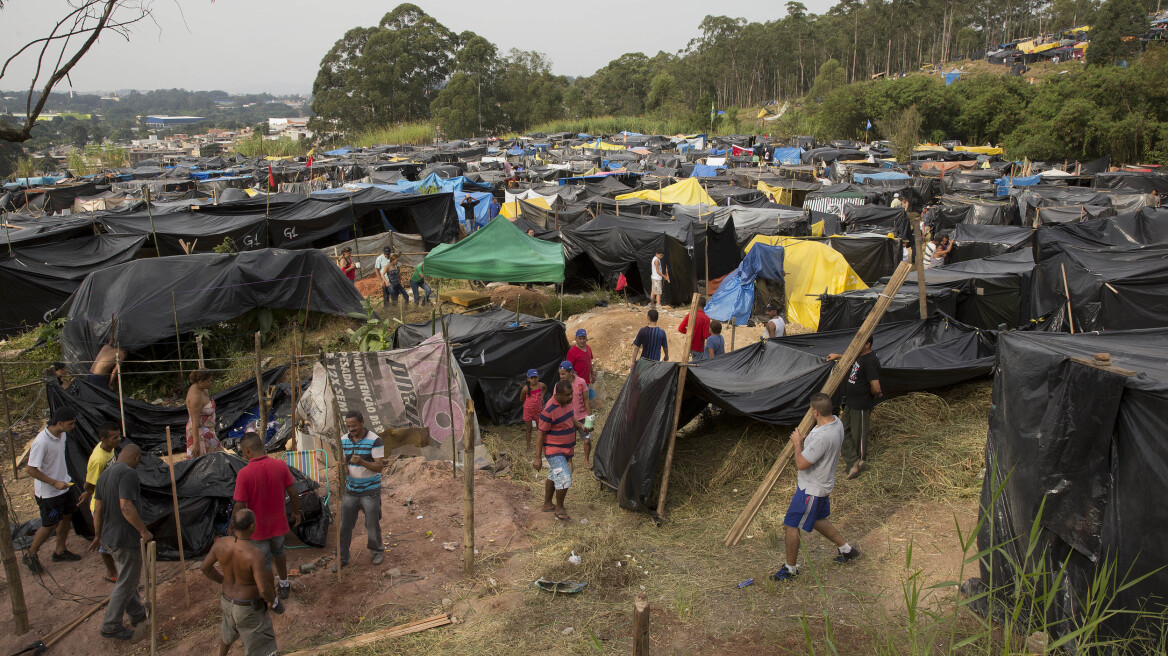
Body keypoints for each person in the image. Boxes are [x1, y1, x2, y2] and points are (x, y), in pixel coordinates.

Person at [772, 393, 861, 581]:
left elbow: (801, 463)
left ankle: (790, 569)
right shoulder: (836, 423)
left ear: (815, 412)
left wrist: (798, 444)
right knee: (818, 519)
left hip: (811, 489)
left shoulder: (823, 437)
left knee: (791, 524)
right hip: (822, 484)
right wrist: (807, 441)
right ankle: (847, 550)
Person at [89, 444, 152, 641]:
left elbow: (98, 509)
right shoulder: (128, 474)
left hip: (110, 537)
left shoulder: (105, 474)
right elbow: (126, 506)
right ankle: (111, 625)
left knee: (126, 576)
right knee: (127, 582)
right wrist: (143, 530)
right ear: (137, 458)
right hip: (124, 537)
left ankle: (137, 613)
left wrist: (97, 535)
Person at [201, 509, 282, 656]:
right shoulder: (254, 554)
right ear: (252, 526)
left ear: (233, 524)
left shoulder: (221, 544)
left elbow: (205, 568)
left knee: (227, 634)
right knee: (261, 645)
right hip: (247, 607)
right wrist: (271, 600)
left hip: (227, 601)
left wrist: (223, 580)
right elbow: (263, 589)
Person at [232, 432, 302, 600]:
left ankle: (272, 596)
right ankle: (284, 583)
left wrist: (233, 527)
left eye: (243, 452)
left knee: (264, 563)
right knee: (279, 552)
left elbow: (240, 505)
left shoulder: (244, 473)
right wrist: (297, 512)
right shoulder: (280, 465)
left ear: (247, 451)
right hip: (278, 524)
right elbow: (293, 493)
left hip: (256, 529)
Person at [25, 407, 80, 574]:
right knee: (50, 524)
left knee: (67, 516)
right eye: (70, 424)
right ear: (59, 423)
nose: (73, 427)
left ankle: (59, 551)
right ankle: (30, 555)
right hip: (49, 493)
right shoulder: (41, 442)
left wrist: (61, 480)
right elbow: (31, 469)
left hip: (64, 486)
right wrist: (54, 482)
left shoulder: (62, 435)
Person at [334, 410, 386, 572]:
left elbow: (379, 467)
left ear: (362, 422)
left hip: (370, 491)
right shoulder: (343, 440)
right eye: (348, 426)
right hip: (351, 490)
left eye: (354, 426)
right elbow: (343, 464)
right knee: (344, 526)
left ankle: (377, 551)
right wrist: (341, 471)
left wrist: (362, 462)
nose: (351, 429)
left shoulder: (375, 440)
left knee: (372, 524)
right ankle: (342, 557)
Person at [827, 335, 883, 479]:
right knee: (841, 430)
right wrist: (837, 356)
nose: (857, 345)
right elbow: (851, 357)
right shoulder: (860, 356)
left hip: (861, 404)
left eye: (860, 343)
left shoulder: (870, 360)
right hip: (851, 402)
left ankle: (858, 464)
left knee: (859, 435)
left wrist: (871, 394)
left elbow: (876, 387)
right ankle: (853, 461)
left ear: (868, 344)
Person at [532, 380, 585, 521]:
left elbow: (571, 418)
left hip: (566, 449)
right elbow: (540, 434)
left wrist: (582, 426)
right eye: (567, 395)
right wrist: (537, 457)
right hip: (554, 450)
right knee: (564, 478)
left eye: (571, 394)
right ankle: (559, 507)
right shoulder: (548, 410)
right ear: (558, 394)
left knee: (553, 475)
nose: (571, 397)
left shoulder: (567, 403)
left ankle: (547, 504)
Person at [79, 422, 123, 583]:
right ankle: (111, 573)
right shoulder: (98, 460)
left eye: (119, 436)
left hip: (111, 499)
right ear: (103, 439)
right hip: (102, 505)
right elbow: (88, 484)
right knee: (105, 540)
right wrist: (88, 492)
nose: (119, 440)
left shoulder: (108, 448)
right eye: (114, 438)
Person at [558, 361, 593, 466]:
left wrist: (590, 419)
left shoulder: (581, 382)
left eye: (563, 374)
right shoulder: (559, 385)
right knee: (569, 444)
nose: (561, 376)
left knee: (587, 441)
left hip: (582, 417)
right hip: (568, 419)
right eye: (560, 374)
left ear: (571, 372)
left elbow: (586, 400)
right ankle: (570, 462)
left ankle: (586, 459)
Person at [186, 369, 220, 457]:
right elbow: (195, 422)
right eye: (208, 381)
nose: (210, 383)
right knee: (209, 459)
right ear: (200, 382)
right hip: (199, 434)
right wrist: (196, 444)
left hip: (207, 431)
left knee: (215, 458)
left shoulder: (201, 389)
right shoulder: (196, 397)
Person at [518, 369, 547, 453]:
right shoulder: (526, 388)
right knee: (529, 429)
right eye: (532, 378)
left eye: (535, 377)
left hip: (538, 410)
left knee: (540, 429)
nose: (534, 379)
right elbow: (521, 399)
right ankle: (528, 448)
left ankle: (541, 446)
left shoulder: (541, 385)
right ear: (528, 379)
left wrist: (542, 396)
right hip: (528, 411)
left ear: (537, 377)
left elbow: (545, 388)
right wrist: (529, 403)